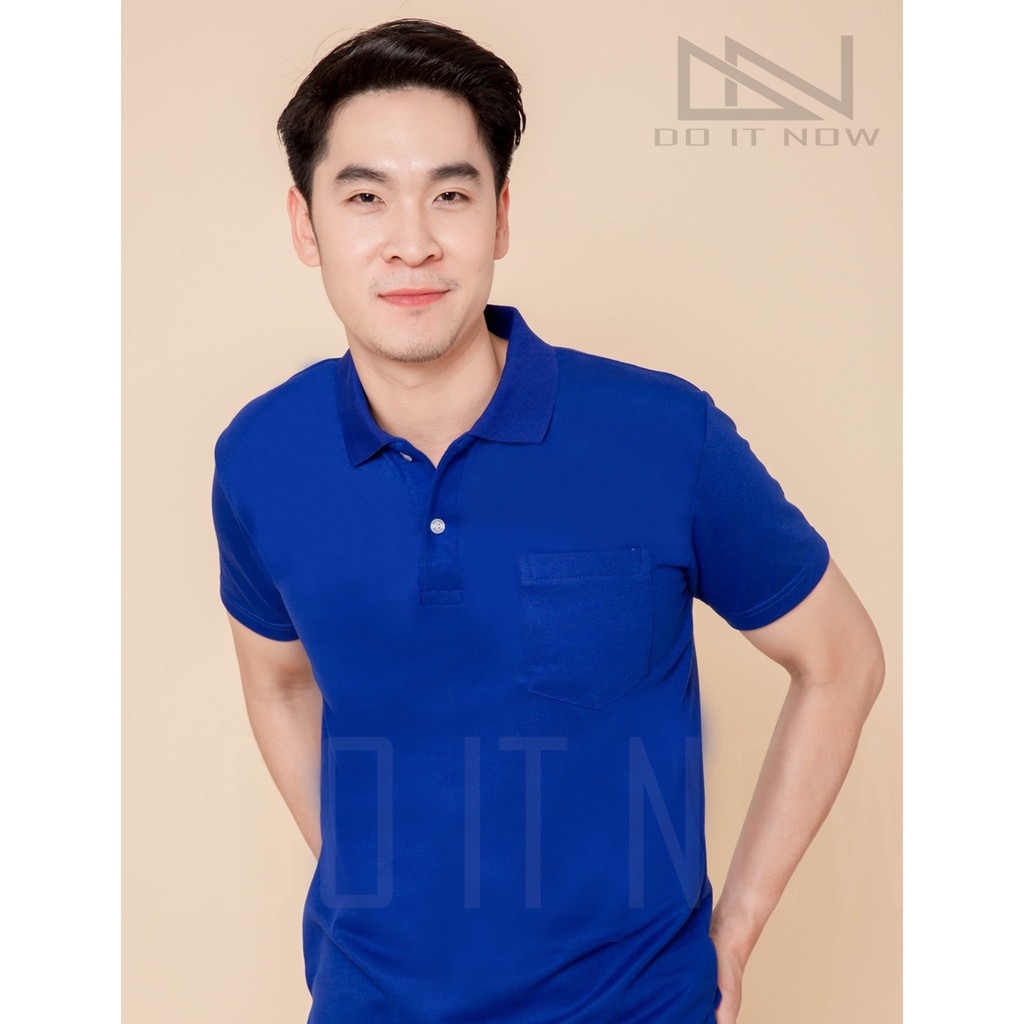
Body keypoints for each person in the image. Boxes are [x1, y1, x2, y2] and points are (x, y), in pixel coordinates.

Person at [211, 18, 884, 1024]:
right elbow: (277, 682)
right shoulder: (262, 457)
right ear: (306, 225)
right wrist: (372, 880)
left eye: (450, 194)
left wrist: (736, 929)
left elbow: (841, 659)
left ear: (500, 217)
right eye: (365, 197)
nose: (412, 241)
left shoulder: (664, 435)